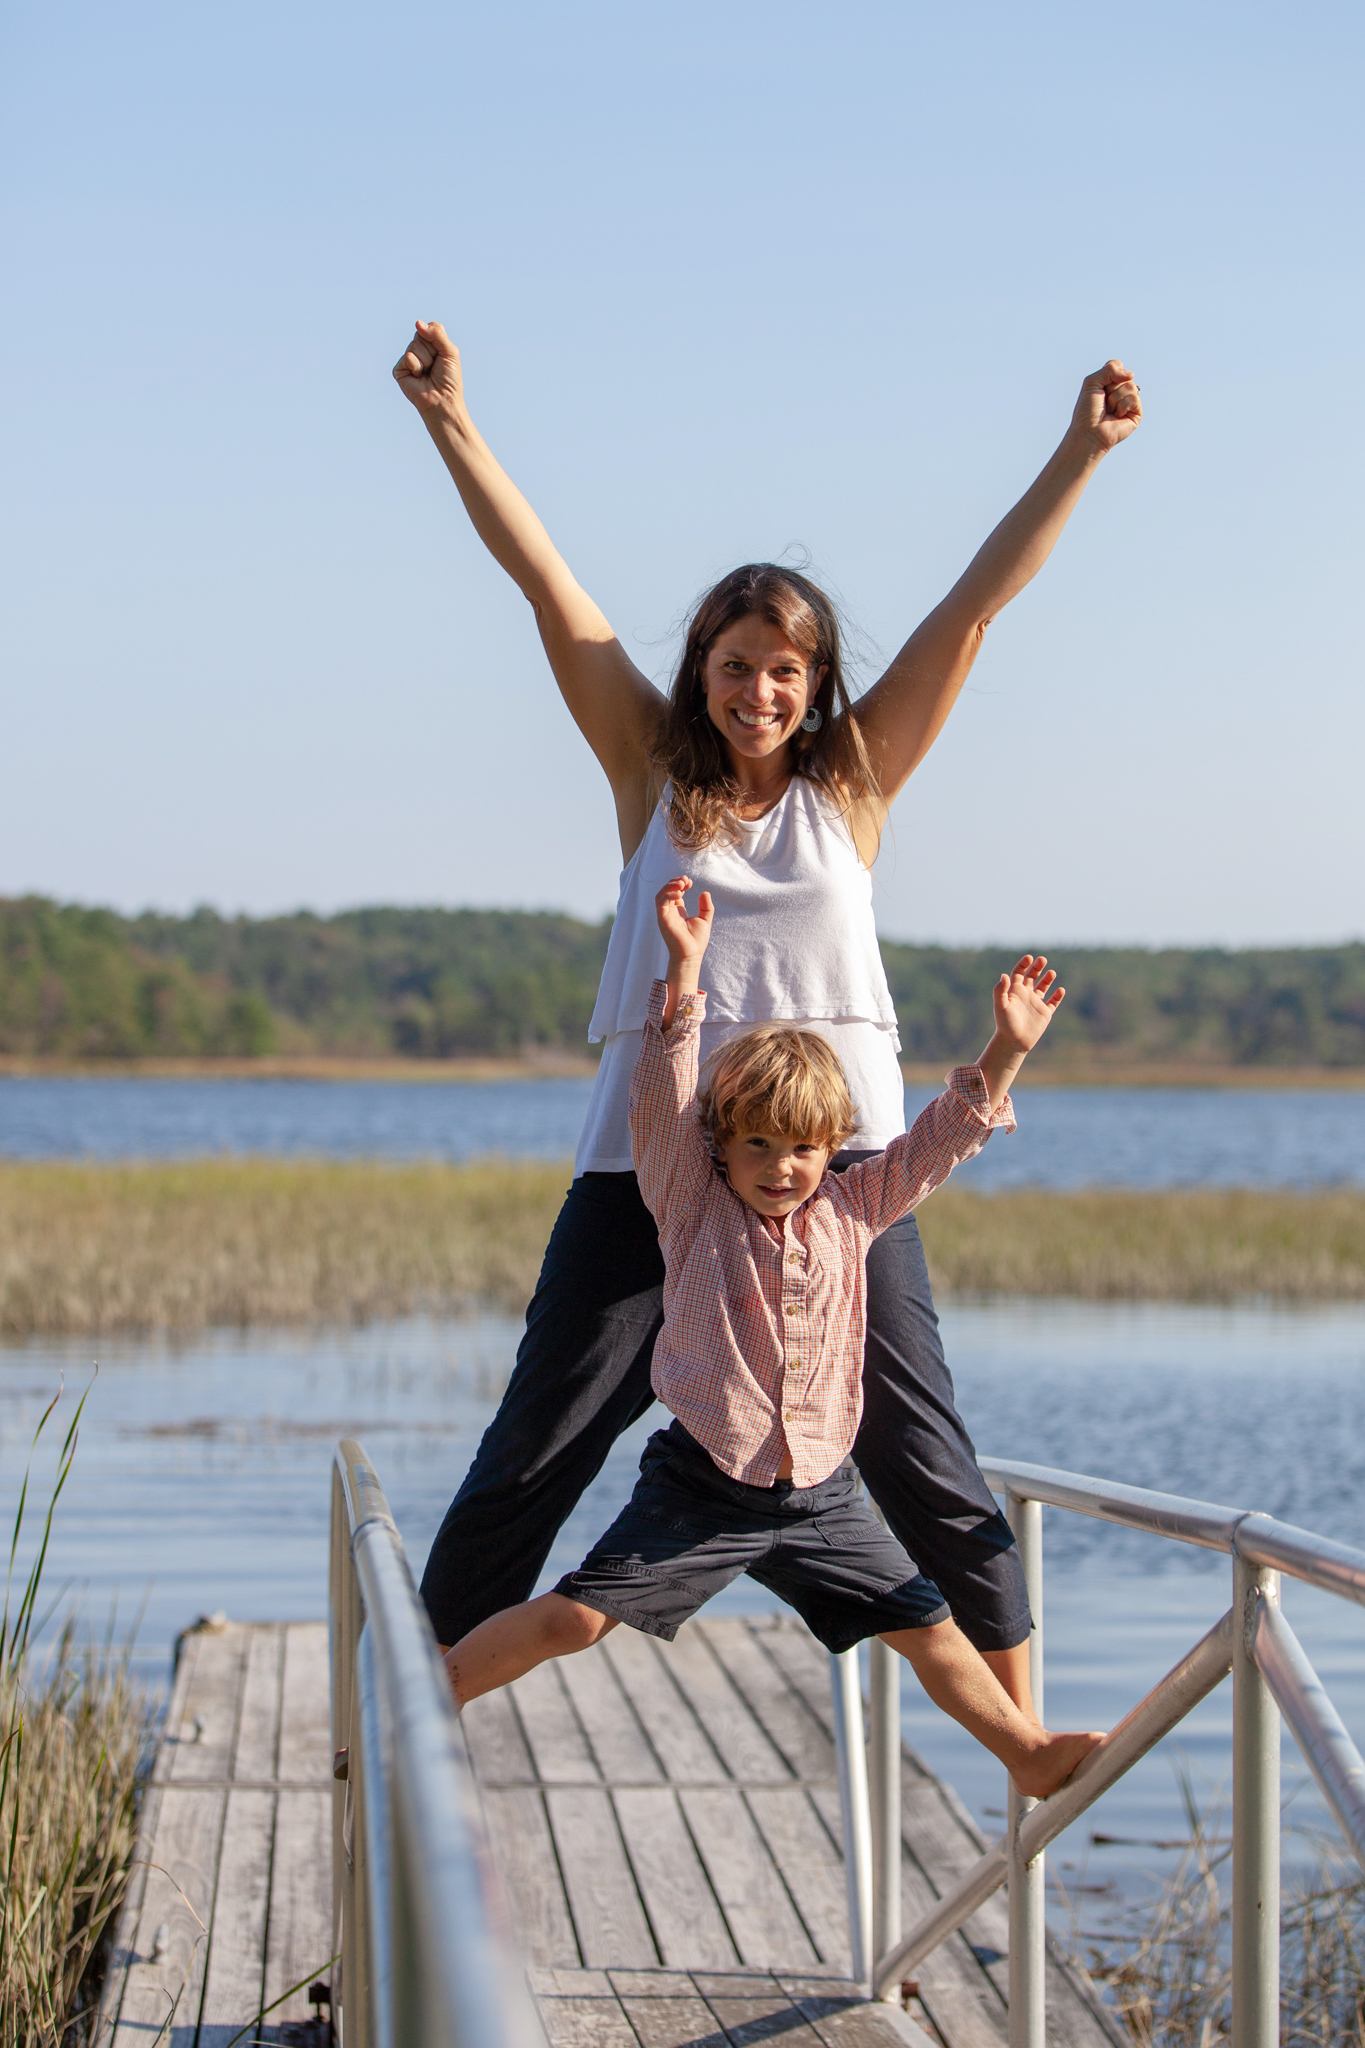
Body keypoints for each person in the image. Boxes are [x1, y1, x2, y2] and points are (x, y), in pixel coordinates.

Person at [393, 320, 1142, 1707]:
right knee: (542, 1441)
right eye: (735, 666)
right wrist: (452, 420)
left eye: (784, 670)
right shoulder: (650, 779)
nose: (758, 691)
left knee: (920, 1443)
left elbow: (970, 609)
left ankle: (1027, 1735)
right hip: (654, 1167)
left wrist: (1076, 452)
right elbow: (550, 590)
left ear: (813, 684)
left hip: (836, 1170)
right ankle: (401, 1724)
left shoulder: (847, 788)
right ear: (703, 673)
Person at [445, 881, 1104, 1799]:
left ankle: (1026, 1755)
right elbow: (661, 1096)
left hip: (822, 1494)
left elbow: (942, 1139)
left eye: (798, 1149)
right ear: (720, 1147)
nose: (777, 1167)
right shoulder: (688, 1203)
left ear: (831, 1144)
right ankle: (431, 1698)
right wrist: (683, 969)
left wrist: (1005, 1049)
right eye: (754, 1145)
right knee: (575, 1621)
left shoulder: (855, 1208)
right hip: (703, 1488)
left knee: (928, 1630)